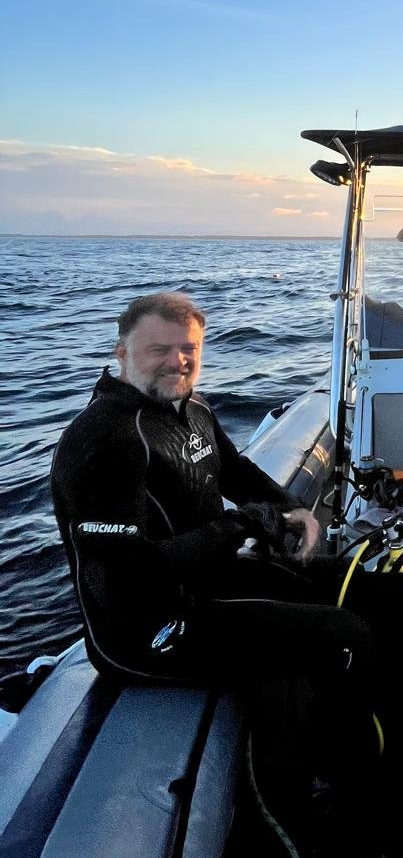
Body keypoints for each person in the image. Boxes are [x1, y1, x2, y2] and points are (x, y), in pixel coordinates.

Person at [50, 292, 372, 719]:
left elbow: (233, 470)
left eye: (189, 348)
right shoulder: (103, 440)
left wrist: (296, 511)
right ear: (122, 353)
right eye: (159, 350)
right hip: (149, 631)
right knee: (345, 634)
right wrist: (240, 525)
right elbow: (131, 575)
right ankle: (342, 765)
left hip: (211, 581)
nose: (177, 361)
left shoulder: (191, 406)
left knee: (366, 587)